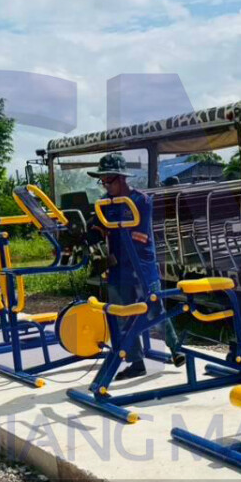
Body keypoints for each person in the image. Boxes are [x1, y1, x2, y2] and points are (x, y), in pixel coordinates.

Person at [86, 154, 182, 379]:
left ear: (122, 178)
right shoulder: (104, 203)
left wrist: (110, 233)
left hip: (142, 265)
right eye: (102, 180)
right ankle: (136, 363)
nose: (105, 184)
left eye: (109, 180)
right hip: (118, 267)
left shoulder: (141, 200)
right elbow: (98, 227)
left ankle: (175, 349)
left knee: (154, 308)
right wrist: (89, 234)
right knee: (122, 315)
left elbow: (138, 234)